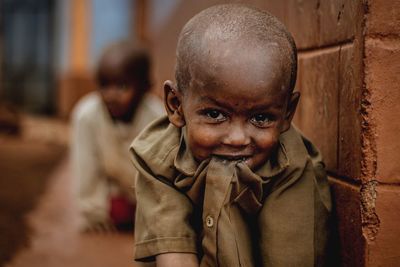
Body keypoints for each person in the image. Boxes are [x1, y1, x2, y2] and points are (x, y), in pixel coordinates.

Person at [130, 4, 331, 266]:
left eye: (261, 118)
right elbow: (174, 257)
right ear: (175, 106)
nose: (237, 139)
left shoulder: (292, 168)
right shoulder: (157, 158)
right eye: (215, 114)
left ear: (287, 114)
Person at [71, 41, 164, 232]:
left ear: (146, 87)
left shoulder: (159, 118)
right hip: (112, 191)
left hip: (149, 196)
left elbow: (165, 174)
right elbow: (86, 170)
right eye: (104, 85)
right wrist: (95, 212)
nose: (111, 95)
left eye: (122, 86)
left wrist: (156, 213)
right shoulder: (86, 115)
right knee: (116, 211)